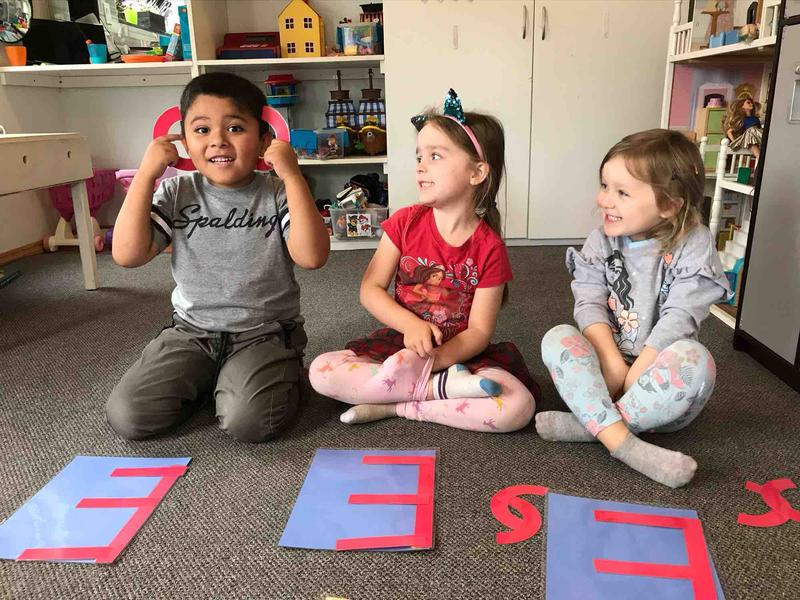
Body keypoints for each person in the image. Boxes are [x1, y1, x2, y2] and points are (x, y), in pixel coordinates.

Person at [106, 72, 330, 442]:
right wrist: (147, 174)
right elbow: (127, 255)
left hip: (263, 333)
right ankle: (215, 375)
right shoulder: (178, 190)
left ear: (263, 139)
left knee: (251, 423)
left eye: (235, 128)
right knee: (130, 416)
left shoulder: (275, 192)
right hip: (190, 332)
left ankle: (258, 373)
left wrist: (292, 177)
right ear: (183, 141)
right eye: (202, 130)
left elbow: (312, 257)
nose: (218, 141)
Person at [309, 89, 538, 433]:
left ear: (477, 173)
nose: (420, 165)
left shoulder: (490, 247)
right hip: (402, 343)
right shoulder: (405, 222)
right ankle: (433, 394)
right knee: (321, 371)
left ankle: (399, 406)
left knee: (518, 407)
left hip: (458, 357)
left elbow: (477, 331)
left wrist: (436, 362)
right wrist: (411, 328)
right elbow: (371, 289)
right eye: (419, 155)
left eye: (435, 156)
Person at [535, 129, 732, 488]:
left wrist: (635, 374)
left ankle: (589, 425)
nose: (604, 200)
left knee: (697, 363)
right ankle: (623, 442)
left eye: (622, 192)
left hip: (654, 387)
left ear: (670, 204)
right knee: (557, 338)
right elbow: (589, 302)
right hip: (604, 373)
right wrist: (611, 363)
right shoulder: (601, 240)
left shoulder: (695, 244)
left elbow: (680, 318)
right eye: (604, 185)